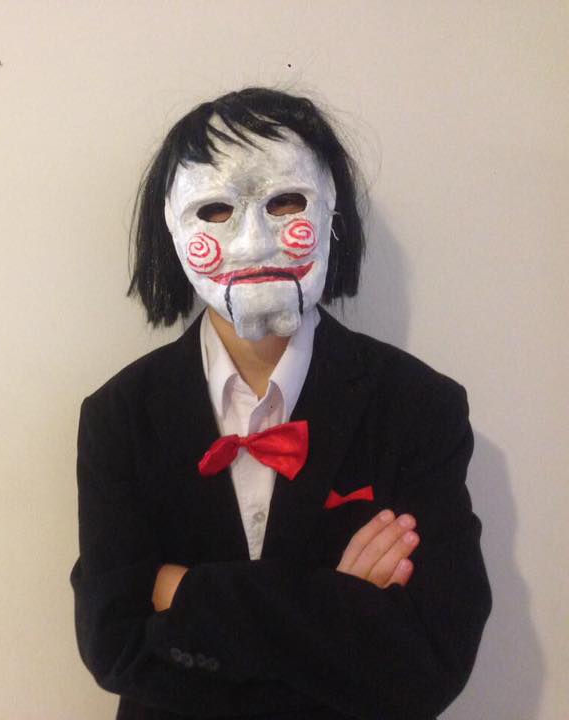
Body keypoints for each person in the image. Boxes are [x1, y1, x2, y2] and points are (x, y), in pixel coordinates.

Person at [70, 87, 491, 720]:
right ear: (171, 229)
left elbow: (431, 660)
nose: (252, 243)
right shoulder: (120, 417)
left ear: (332, 214)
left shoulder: (417, 407)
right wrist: (342, 604)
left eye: (285, 202)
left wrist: (183, 592)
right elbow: (112, 643)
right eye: (216, 210)